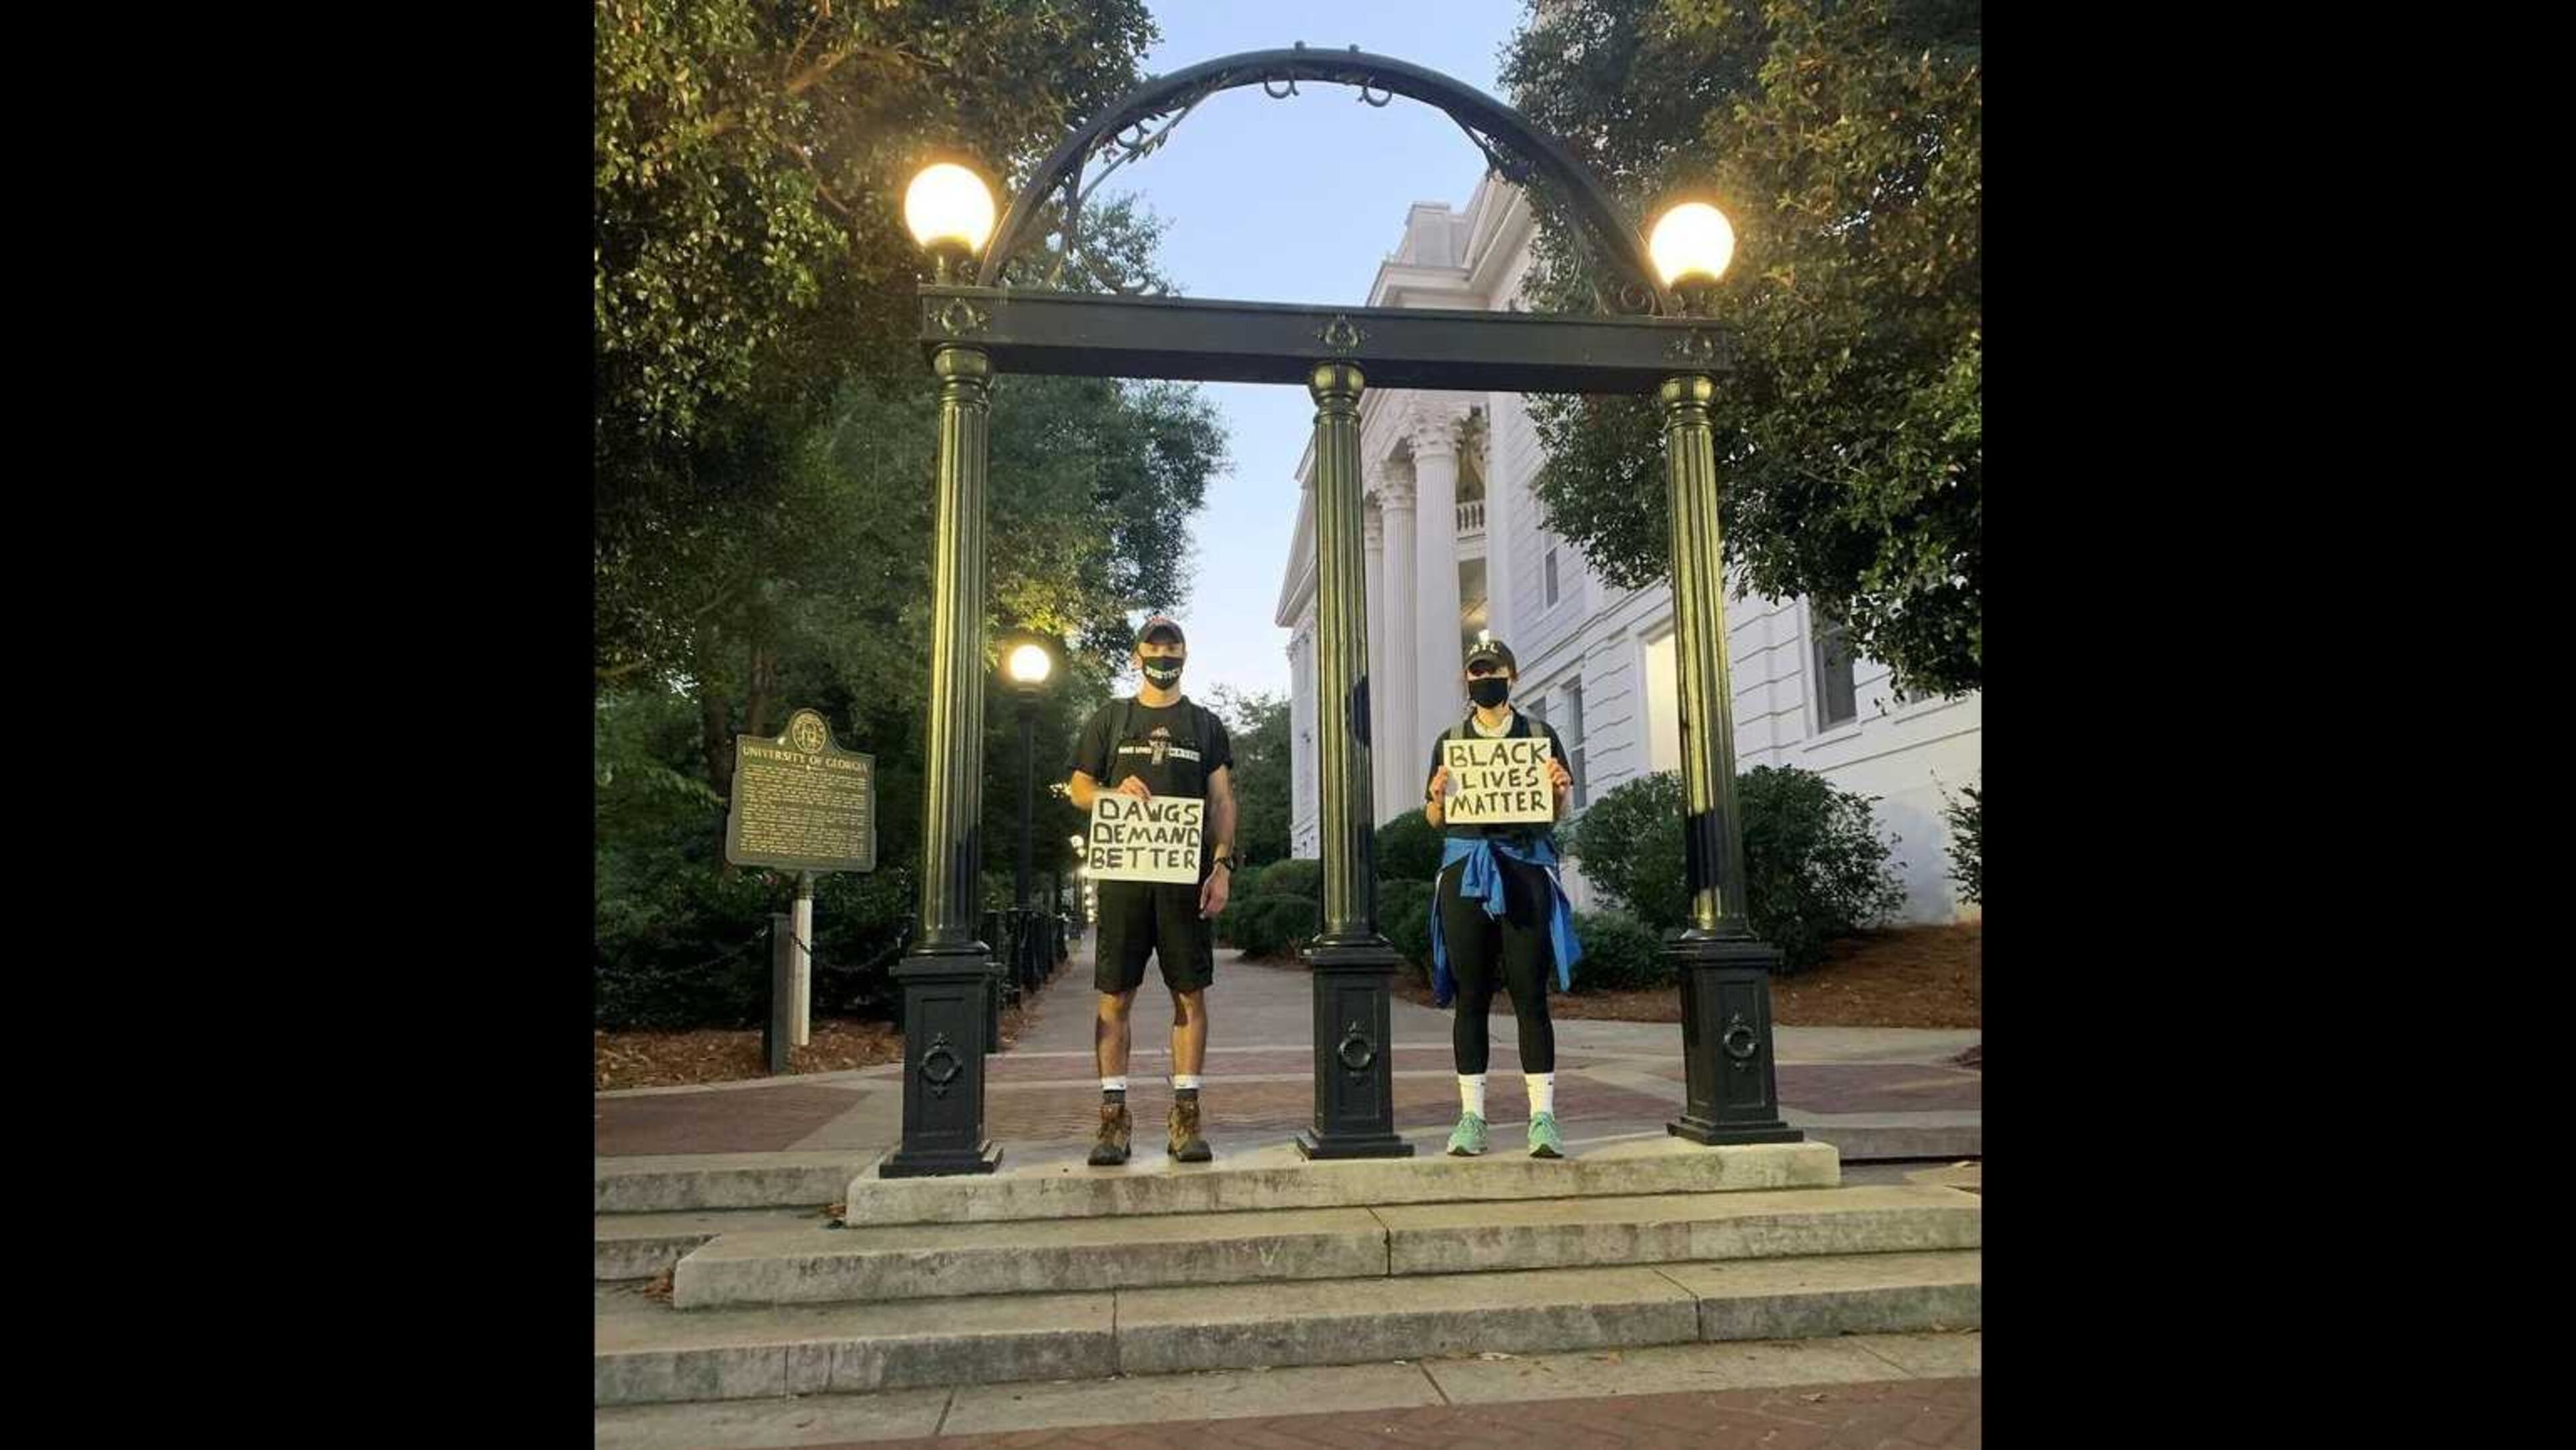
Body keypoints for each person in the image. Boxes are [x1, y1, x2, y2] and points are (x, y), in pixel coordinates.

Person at [1066, 615, 1236, 1165]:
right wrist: (1113, 792)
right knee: (1115, 996)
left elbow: (1221, 800)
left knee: (1190, 994)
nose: (1163, 654)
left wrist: (1222, 865)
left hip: (1185, 880)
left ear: (1185, 653)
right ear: (1137, 655)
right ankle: (1113, 1119)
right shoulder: (1112, 718)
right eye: (1154, 645)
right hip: (1123, 878)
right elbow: (1079, 787)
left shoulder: (1205, 725)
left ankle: (1186, 1116)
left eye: (1172, 645)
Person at [1421, 636, 1582, 1158]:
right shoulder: (1450, 742)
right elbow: (1434, 818)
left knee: (1530, 993)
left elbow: (1556, 811)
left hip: (1524, 867)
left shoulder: (1539, 735)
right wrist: (1437, 797)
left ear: (1512, 677)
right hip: (1466, 871)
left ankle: (1543, 1117)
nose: (1483, 679)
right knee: (1471, 994)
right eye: (1476, 671)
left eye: (1492, 671)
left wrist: (1558, 789)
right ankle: (1472, 1117)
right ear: (1466, 679)